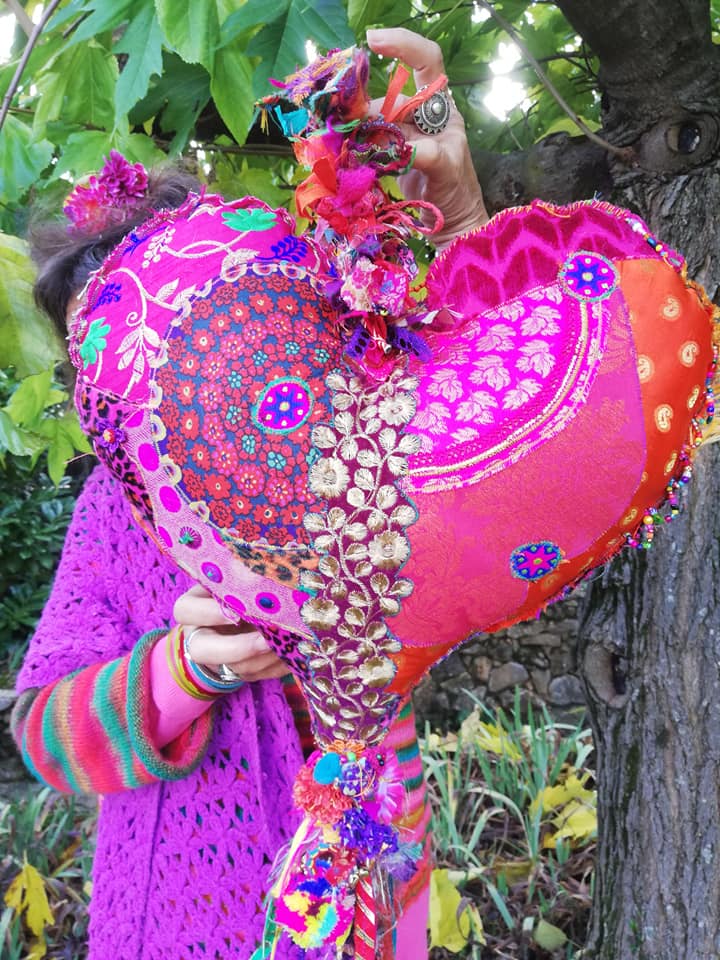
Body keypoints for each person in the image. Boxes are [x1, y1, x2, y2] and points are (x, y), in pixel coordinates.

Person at [11, 27, 489, 960]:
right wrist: (186, 671)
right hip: (180, 915)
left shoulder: (349, 440)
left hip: (375, 889)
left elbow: (511, 436)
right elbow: (44, 731)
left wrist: (462, 217)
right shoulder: (115, 510)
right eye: (102, 368)